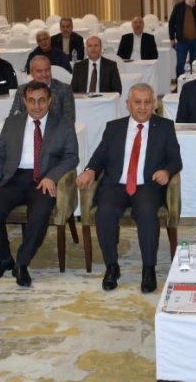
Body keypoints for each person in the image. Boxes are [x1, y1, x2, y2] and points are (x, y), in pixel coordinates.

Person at [77, 83, 182, 293]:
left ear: (154, 104)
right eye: (137, 102)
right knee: (105, 212)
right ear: (128, 104)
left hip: (147, 185)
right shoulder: (114, 127)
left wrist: (167, 171)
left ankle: (149, 269)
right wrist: (90, 170)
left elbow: (175, 160)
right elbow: (99, 156)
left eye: (147, 102)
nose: (142, 107)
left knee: (147, 213)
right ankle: (112, 267)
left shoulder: (165, 127)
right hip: (116, 185)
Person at [0, 82, 79, 287]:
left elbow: (72, 157)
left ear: (49, 101)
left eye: (41, 100)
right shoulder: (12, 122)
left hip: (43, 179)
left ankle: (22, 262)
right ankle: (3, 258)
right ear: (24, 102)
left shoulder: (63, 123)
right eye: (31, 101)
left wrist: (52, 176)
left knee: (40, 213)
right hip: (13, 178)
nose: (36, 106)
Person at [12, 56, 76, 122]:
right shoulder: (22, 90)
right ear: (31, 73)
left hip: (56, 128)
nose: (44, 74)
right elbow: (13, 117)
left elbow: (69, 120)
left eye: (47, 70)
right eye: (39, 71)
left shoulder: (65, 90)